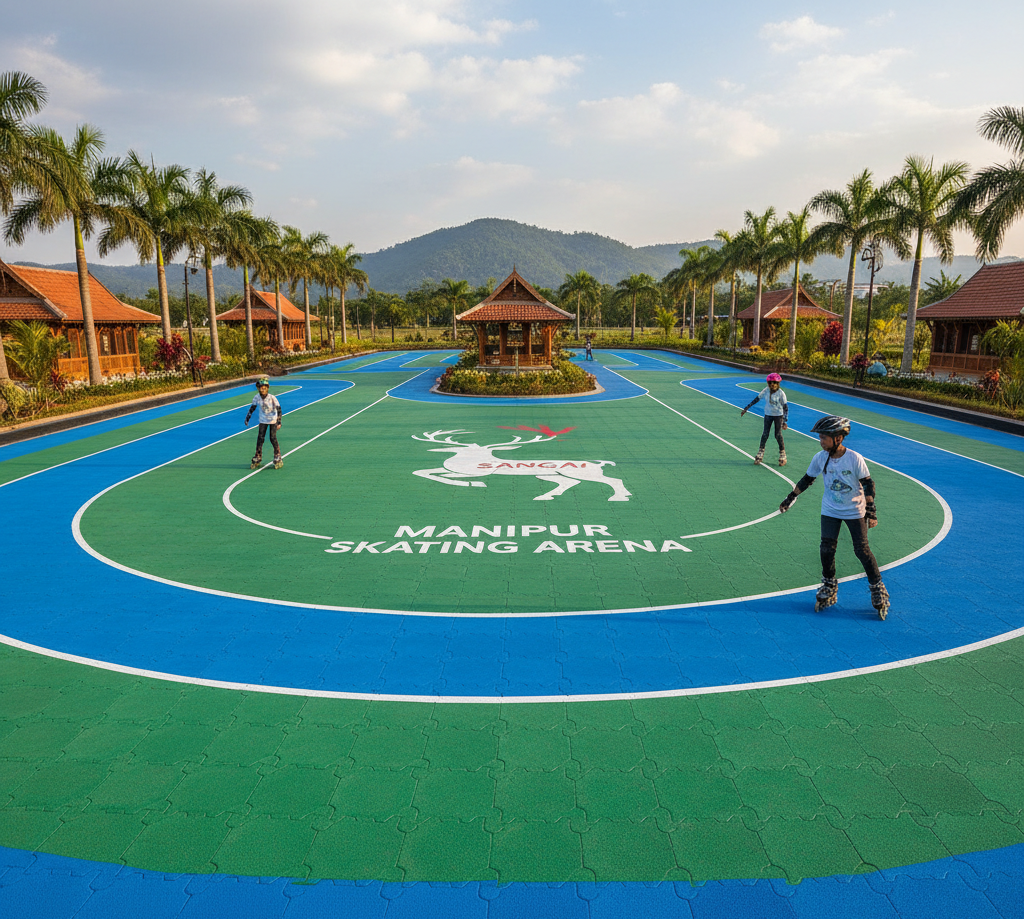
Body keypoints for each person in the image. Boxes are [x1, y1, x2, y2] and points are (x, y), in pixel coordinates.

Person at [778, 415, 890, 620]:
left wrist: (871, 511)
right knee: (826, 548)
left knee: (862, 550)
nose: (820, 441)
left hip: (855, 510)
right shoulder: (820, 457)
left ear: (838, 438)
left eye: (824, 438)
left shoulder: (854, 458)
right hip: (830, 509)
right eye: (820, 437)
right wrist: (790, 497)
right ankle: (829, 584)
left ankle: (877, 587)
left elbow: (868, 484)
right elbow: (807, 479)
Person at [740, 372, 788, 466]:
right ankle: (760, 452)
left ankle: (782, 453)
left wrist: (784, 421)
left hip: (778, 415)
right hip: (768, 414)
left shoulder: (781, 393)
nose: (772, 385)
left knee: (777, 435)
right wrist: (747, 407)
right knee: (765, 434)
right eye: (770, 383)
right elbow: (757, 398)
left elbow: (785, 407)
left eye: (774, 382)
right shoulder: (766, 390)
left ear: (778, 383)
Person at [245, 376, 284, 469]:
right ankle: (258, 456)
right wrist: (247, 418)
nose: (263, 389)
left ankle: (277, 455)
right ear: (258, 388)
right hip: (263, 420)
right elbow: (252, 408)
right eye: (261, 388)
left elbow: (279, 410)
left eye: (264, 388)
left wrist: (279, 422)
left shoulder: (272, 398)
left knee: (272, 438)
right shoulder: (257, 397)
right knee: (260, 438)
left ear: (267, 388)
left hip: (273, 420)